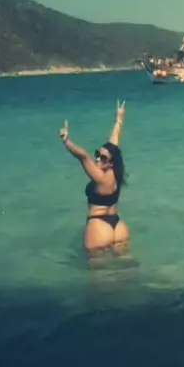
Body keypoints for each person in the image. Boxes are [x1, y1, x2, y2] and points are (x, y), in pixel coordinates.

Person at [59, 100, 130, 261]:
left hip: (99, 228)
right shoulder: (116, 173)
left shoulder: (100, 177)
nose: (97, 159)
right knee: (129, 271)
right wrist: (119, 120)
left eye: (102, 158)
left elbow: (83, 156)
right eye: (97, 154)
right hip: (119, 228)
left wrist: (66, 141)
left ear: (110, 162)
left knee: (100, 275)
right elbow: (113, 144)